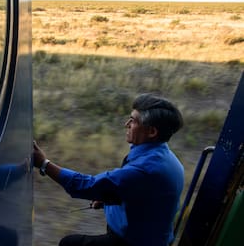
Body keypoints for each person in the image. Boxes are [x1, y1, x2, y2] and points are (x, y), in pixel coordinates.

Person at [33, 93, 184, 246]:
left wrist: (44, 164)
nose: (127, 124)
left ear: (152, 132)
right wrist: (107, 199)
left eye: (133, 120)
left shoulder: (145, 170)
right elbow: (146, 199)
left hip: (132, 241)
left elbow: (86, 185)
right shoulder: (167, 157)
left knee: (69, 243)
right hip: (153, 235)